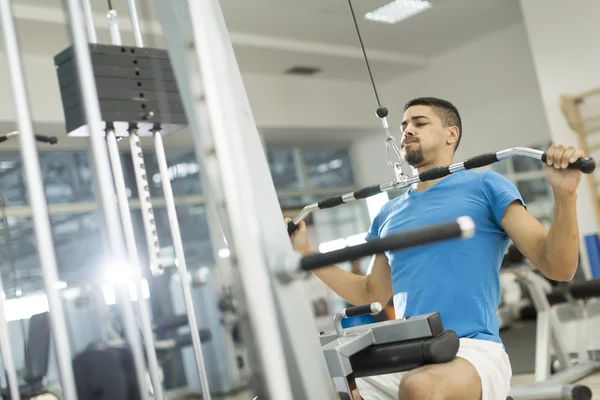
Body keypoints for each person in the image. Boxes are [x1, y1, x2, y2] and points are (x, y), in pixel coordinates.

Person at [287, 97, 584, 400]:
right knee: (313, 385)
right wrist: (304, 252)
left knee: (421, 387)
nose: (407, 130)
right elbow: (369, 294)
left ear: (451, 134)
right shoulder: (388, 214)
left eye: (419, 122)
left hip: (470, 349)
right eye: (404, 125)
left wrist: (564, 195)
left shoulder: (486, 186)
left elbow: (559, 267)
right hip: (406, 351)